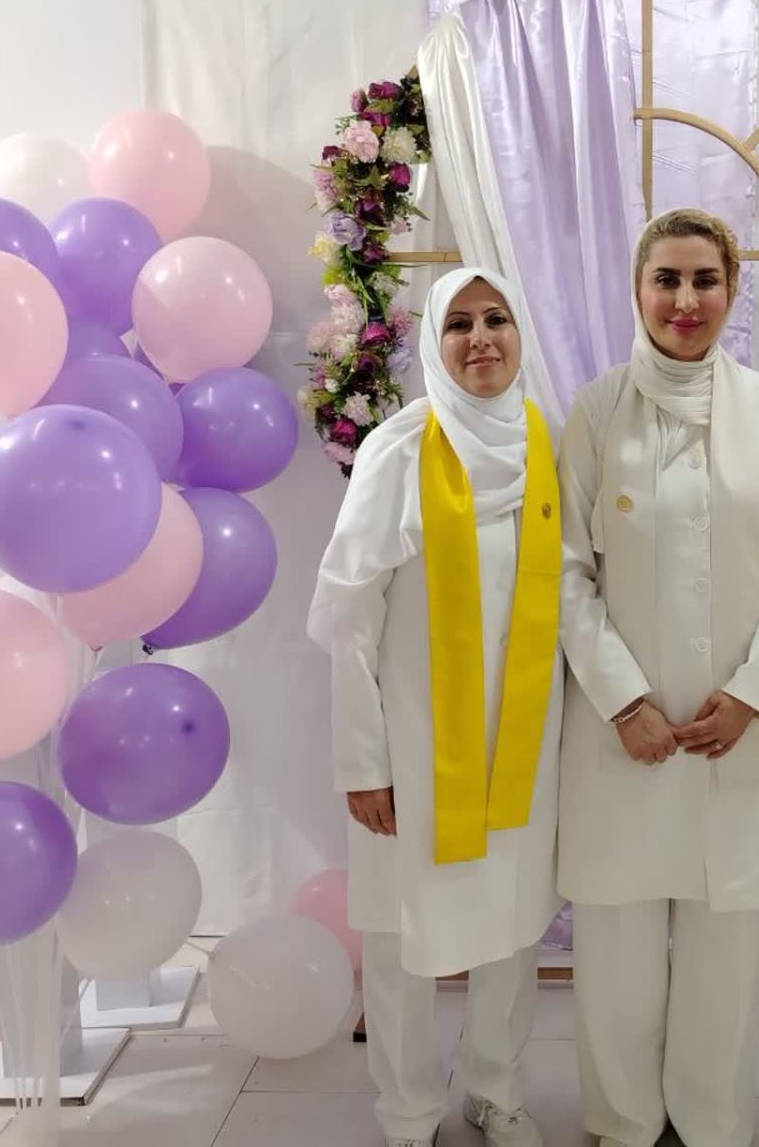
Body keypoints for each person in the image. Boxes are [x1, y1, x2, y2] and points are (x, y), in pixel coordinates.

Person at [555, 208, 759, 1147]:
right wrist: (622, 699)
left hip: (733, 730)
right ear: (638, 290)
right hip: (618, 729)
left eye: (705, 279)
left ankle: (711, 1124)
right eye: (666, 278)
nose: (685, 299)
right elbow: (566, 573)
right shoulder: (594, 412)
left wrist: (750, 696)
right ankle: (624, 1121)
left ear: (732, 289)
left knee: (724, 946)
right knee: (617, 944)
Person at [307, 268, 563, 1147]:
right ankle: (409, 1110)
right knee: (401, 937)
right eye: (459, 324)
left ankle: (497, 1091)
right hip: (412, 750)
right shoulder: (400, 451)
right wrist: (362, 762)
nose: (481, 338)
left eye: (497, 319)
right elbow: (349, 620)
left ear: (520, 334)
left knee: (512, 929)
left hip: (524, 745)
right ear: (434, 344)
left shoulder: (544, 445)